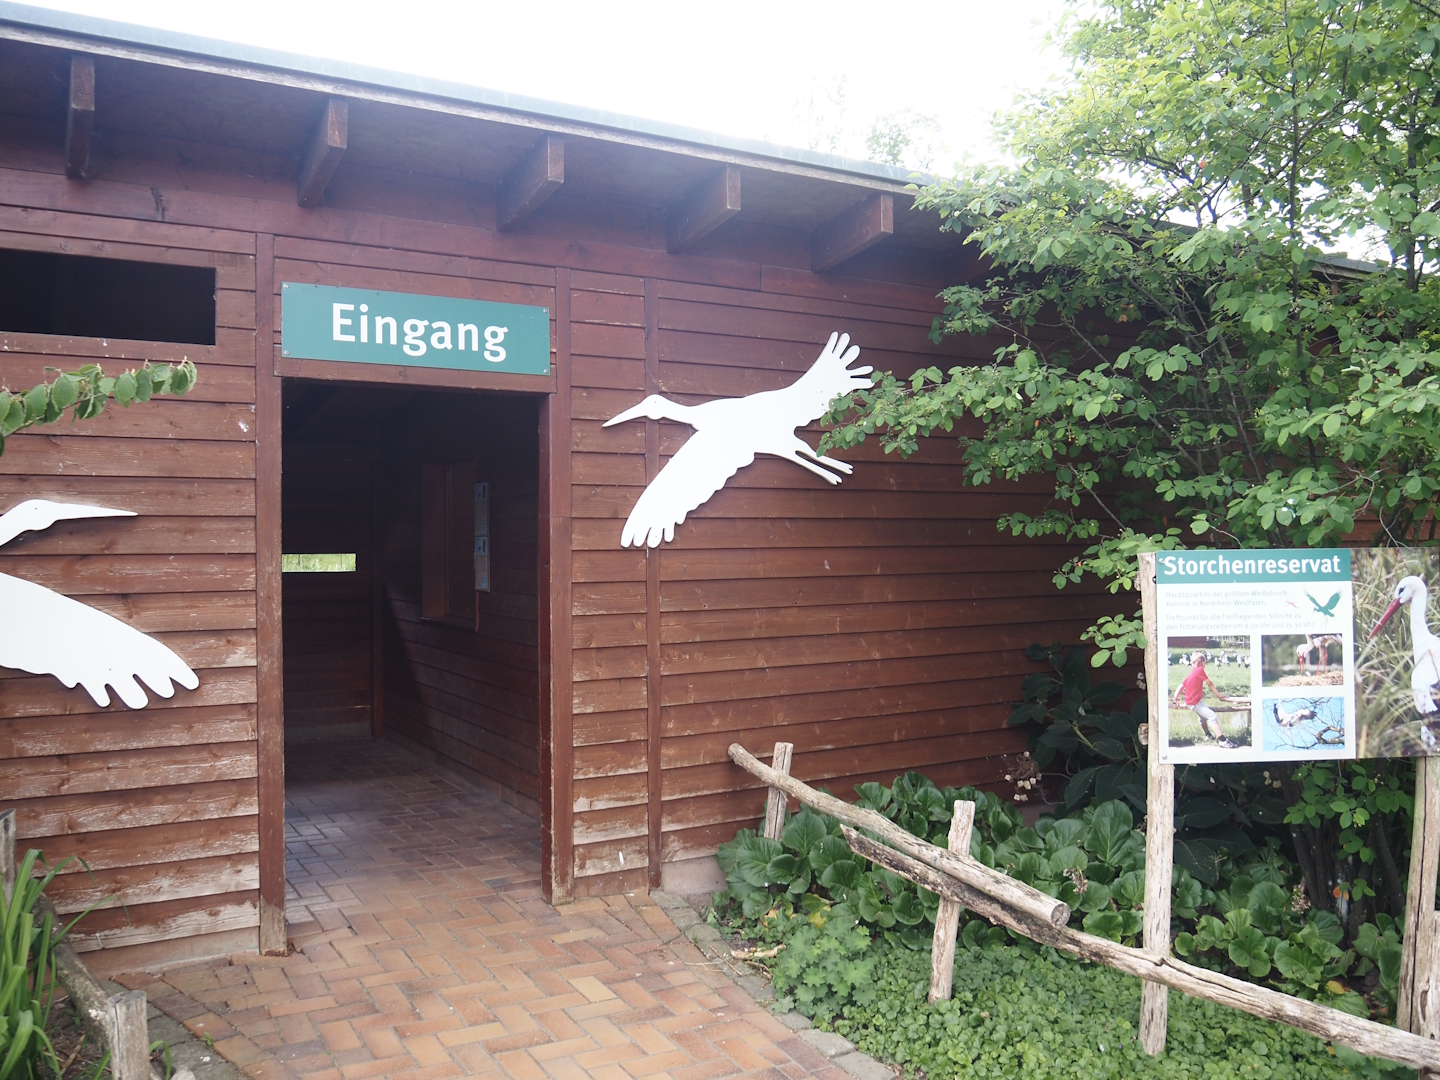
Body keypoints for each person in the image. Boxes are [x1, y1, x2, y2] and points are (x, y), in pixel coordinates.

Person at [1172, 654, 1235, 748]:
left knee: (1202, 717)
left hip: (1191, 701)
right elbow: (1210, 683)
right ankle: (1222, 741)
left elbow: (1181, 685)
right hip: (1194, 702)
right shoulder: (1199, 670)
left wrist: (1175, 698)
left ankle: (1208, 735)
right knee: (1212, 716)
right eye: (1205, 663)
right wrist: (1219, 695)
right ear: (1201, 663)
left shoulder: (1192, 673)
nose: (1205, 665)